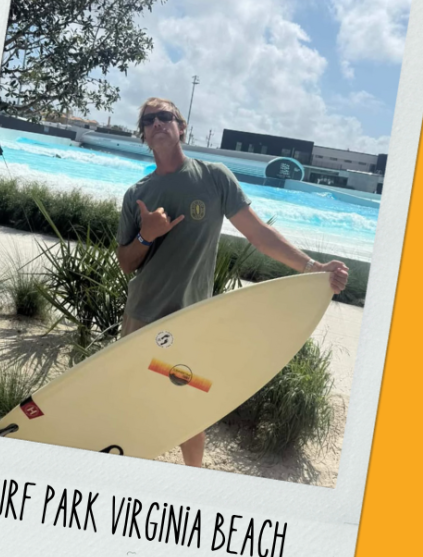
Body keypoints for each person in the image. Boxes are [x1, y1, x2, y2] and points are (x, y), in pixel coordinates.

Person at [116, 97, 349, 468]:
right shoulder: (136, 195)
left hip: (190, 320)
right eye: (149, 120)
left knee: (188, 405)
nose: (157, 123)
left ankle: (195, 479)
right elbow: (126, 263)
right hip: (141, 315)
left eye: (165, 117)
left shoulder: (214, 178)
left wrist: (312, 267)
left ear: (181, 127)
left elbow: (259, 234)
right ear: (143, 134)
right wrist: (146, 235)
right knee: (136, 398)